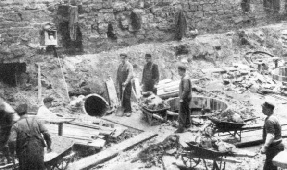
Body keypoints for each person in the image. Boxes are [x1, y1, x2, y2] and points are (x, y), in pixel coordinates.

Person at [9, 103, 52, 170]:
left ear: (17, 114)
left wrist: (12, 152)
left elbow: (11, 140)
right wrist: (49, 146)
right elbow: (46, 133)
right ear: (26, 112)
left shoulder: (16, 125)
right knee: (39, 167)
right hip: (38, 149)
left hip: (24, 152)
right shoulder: (37, 121)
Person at [260, 101, 284, 170]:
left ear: (269, 109)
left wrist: (265, 147)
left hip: (273, 147)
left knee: (269, 167)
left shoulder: (269, 120)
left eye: (263, 108)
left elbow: (270, 136)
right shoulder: (274, 117)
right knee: (273, 166)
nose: (262, 110)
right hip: (278, 145)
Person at [175, 63, 192, 133]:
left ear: (182, 71)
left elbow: (186, 90)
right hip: (187, 97)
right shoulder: (185, 78)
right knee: (187, 111)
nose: (178, 73)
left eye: (179, 71)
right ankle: (188, 124)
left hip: (185, 98)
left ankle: (181, 128)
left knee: (182, 113)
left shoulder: (185, 79)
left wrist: (182, 98)